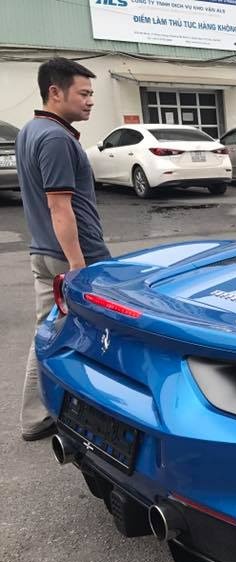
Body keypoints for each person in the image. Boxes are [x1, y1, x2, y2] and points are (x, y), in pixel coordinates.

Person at [17, 57, 111, 441]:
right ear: (55, 92)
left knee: (49, 329)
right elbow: (59, 206)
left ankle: (37, 413)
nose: (90, 101)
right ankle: (85, 410)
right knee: (96, 331)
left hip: (44, 250)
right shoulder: (55, 138)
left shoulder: (31, 129)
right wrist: (77, 266)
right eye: (84, 93)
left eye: (92, 94)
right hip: (72, 256)